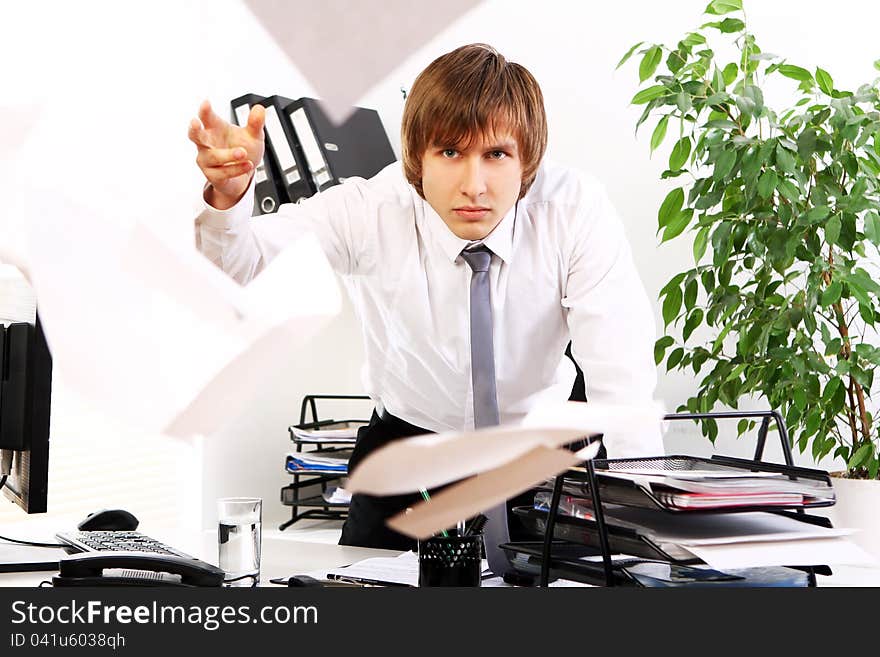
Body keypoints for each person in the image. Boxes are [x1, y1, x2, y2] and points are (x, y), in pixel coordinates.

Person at [189, 43, 662, 564]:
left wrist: (648, 524)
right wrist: (229, 200)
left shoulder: (573, 212)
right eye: (450, 153)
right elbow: (241, 266)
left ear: (528, 159)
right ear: (417, 158)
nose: (473, 185)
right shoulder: (372, 208)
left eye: (496, 154)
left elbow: (621, 379)